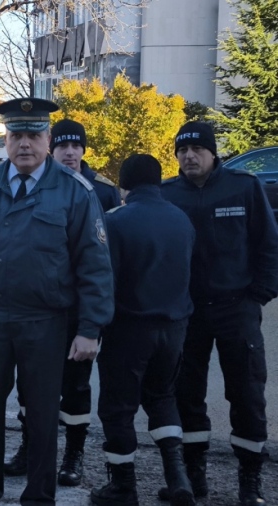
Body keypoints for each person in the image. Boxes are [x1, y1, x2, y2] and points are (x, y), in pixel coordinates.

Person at [0, 98, 113, 506]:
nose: (24, 144)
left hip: (45, 322)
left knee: (40, 416)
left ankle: (39, 498)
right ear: (5, 139)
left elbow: (95, 265)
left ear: (48, 139)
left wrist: (90, 328)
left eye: (33, 136)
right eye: (16, 135)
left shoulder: (74, 191)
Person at [160, 121, 278, 506]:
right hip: (187, 313)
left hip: (236, 309)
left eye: (197, 149)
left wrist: (258, 295)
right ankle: (195, 475)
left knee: (246, 393)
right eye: (182, 150)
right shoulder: (168, 195)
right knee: (187, 393)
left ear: (213, 153)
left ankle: (250, 481)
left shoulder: (244, 187)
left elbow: (269, 244)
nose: (189, 156)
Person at [5, 118, 122, 486]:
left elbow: (101, 261)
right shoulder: (32, 184)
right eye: (63, 146)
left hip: (76, 311)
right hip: (36, 311)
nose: (70, 152)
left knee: (75, 386)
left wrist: (94, 322)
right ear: (52, 149)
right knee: (28, 385)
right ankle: (29, 446)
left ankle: (74, 454)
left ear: (84, 150)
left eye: (76, 146)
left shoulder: (101, 192)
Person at [91, 154, 197, 506]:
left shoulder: (116, 221)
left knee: (118, 409)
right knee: (163, 398)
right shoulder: (181, 219)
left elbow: (106, 280)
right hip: (174, 327)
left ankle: (123, 487)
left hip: (129, 329)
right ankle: (178, 479)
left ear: (124, 184)